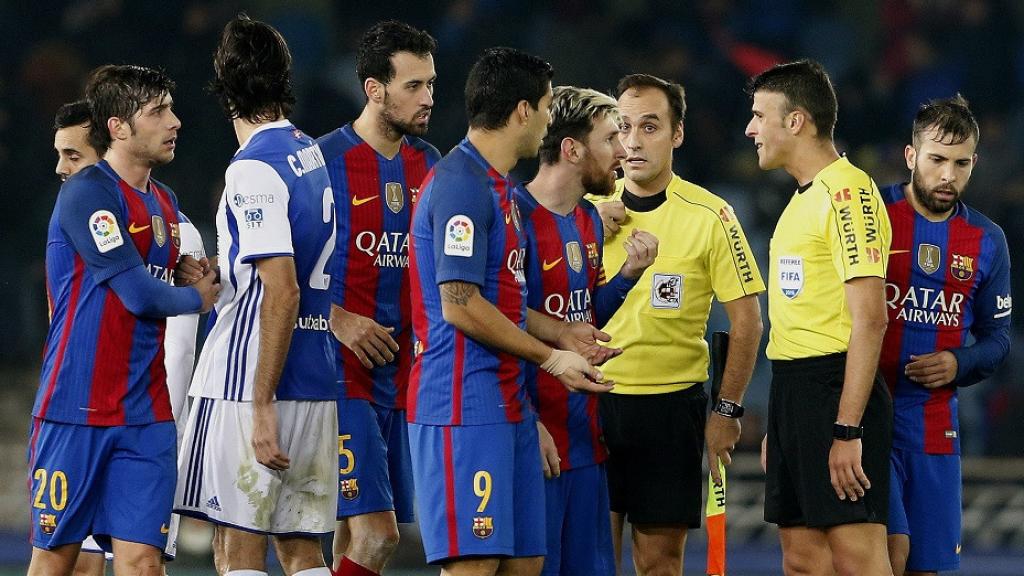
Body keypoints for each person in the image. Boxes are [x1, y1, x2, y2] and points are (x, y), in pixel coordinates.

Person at [407, 47, 614, 576]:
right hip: (462, 406)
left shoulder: (499, 189)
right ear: (523, 111)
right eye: (545, 107)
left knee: (527, 563)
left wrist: (563, 333)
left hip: (510, 406)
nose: (547, 121)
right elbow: (459, 304)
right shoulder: (460, 185)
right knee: (476, 566)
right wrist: (549, 357)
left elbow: (505, 300)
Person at [28, 65, 220, 576]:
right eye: (157, 112)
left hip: (146, 414)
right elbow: (136, 293)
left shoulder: (165, 202)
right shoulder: (87, 193)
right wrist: (196, 298)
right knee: (56, 561)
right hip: (76, 408)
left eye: (170, 108)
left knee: (143, 564)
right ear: (117, 128)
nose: (174, 121)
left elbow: (155, 275)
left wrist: (186, 274)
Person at [173, 15, 338, 576]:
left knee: (236, 548)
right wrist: (227, 268)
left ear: (225, 91)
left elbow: (283, 289)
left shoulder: (251, 170)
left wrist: (261, 401)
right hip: (315, 376)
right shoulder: (309, 154)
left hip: (251, 383)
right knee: (301, 550)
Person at [591, 73, 765, 576]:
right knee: (593, 560)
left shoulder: (712, 215)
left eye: (650, 126)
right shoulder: (582, 211)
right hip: (592, 404)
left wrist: (726, 411)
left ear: (677, 134)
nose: (633, 141)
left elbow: (748, 322)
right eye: (622, 127)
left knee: (661, 564)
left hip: (671, 410)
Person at [745, 59, 893, 576]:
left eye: (761, 115)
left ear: (796, 121)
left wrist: (846, 428)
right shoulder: (800, 199)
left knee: (856, 556)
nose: (750, 128)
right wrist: (783, 423)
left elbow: (871, 319)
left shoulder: (848, 194)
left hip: (836, 388)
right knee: (803, 560)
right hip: (795, 390)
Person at [514, 85, 658, 576]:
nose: (624, 152)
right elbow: (497, 325)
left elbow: (583, 322)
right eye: (611, 138)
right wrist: (525, 421)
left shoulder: (587, 222)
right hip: (537, 442)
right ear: (572, 149)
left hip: (586, 441)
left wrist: (625, 280)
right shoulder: (514, 218)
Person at [316, 20, 440, 576]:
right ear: (374, 89)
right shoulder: (320, 163)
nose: (427, 98)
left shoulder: (429, 162)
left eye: (431, 85)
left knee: (350, 534)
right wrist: (338, 319)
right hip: (341, 374)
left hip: (402, 377)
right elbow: (279, 273)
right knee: (378, 535)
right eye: (413, 85)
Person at [880, 95, 1011, 576]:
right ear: (912, 156)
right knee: (885, 557)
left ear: (974, 163)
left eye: (960, 163)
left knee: (926, 569)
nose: (947, 176)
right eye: (936, 160)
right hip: (867, 415)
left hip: (934, 424)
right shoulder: (872, 214)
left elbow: (998, 341)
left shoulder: (987, 239)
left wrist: (959, 361)